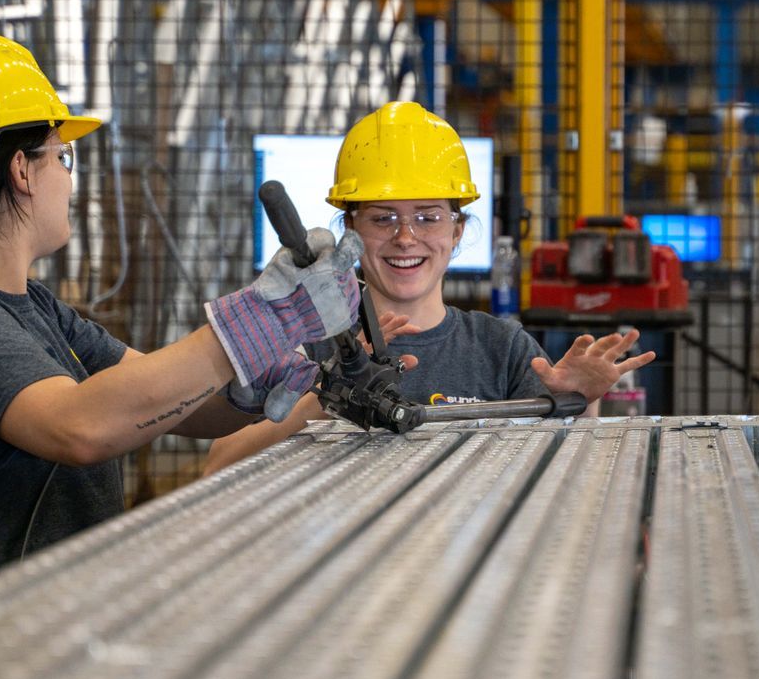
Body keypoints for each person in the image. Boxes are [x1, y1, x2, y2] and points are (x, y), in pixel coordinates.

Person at [0, 33, 359, 595]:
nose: (70, 179)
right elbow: (80, 427)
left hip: (52, 624)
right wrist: (257, 324)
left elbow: (161, 404)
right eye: (63, 156)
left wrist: (273, 377)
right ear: (21, 172)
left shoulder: (34, 306)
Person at [203, 102, 654, 474]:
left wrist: (579, 402)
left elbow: (571, 478)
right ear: (350, 230)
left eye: (427, 217)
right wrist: (325, 399)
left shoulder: (503, 350)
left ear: (457, 232)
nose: (405, 237)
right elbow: (217, 466)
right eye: (382, 218)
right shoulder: (304, 349)